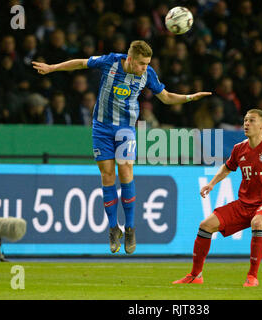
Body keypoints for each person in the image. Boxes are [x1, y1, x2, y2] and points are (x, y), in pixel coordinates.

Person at [32, 40, 211, 254]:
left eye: (147, 63)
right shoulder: (111, 61)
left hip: (125, 129)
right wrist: (53, 68)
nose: (145, 67)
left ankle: (130, 228)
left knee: (126, 171)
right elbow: (81, 63)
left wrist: (190, 97)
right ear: (130, 59)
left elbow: (165, 97)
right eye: (142, 63)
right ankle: (113, 228)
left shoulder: (148, 74)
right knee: (107, 175)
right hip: (101, 128)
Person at [173, 109, 262, 287]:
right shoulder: (239, 148)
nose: (247, 124)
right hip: (243, 204)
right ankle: (195, 275)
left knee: (257, 223)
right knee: (205, 226)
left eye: (252, 121)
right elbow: (227, 167)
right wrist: (212, 184)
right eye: (246, 120)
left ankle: (252, 276)